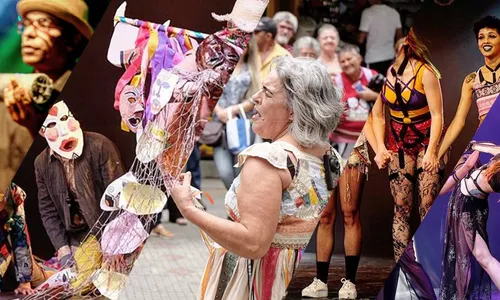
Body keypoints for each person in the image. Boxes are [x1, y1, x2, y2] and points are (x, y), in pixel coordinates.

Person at [171, 56, 344, 299]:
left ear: (294, 111)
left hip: (261, 282)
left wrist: (189, 210)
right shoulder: (332, 156)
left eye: (267, 92)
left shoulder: (268, 158)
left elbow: (253, 244)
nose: (255, 98)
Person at [301, 44, 378, 299]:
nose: (346, 64)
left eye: (349, 59)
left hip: (358, 148)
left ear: (359, 58)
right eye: (342, 61)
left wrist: (372, 96)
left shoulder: (375, 78)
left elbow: (391, 106)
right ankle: (320, 281)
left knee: (349, 214)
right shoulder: (335, 81)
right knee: (324, 216)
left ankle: (350, 283)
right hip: (332, 149)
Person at [371, 28, 446, 261]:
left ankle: (433, 263)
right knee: (402, 204)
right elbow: (377, 116)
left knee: (427, 202)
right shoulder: (384, 75)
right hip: (399, 141)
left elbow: (437, 115)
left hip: (427, 137)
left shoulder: (426, 72)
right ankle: (403, 267)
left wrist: (432, 151)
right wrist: (380, 148)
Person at [0, 0, 92, 192]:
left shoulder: (81, 96)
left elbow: (77, 176)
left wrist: (35, 127)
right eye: (25, 25)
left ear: (73, 39)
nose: (29, 33)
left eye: (43, 23)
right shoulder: (9, 89)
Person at [34, 101, 125, 266]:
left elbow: (119, 195)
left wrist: (115, 242)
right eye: (53, 124)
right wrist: (63, 250)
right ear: (42, 131)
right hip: (80, 234)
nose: (63, 130)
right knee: (78, 283)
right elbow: (48, 210)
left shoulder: (99, 145)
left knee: (115, 273)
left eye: (64, 119)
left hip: (110, 227)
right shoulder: (41, 163)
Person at [439, 141, 500, 299]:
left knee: (482, 258)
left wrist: (474, 149)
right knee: (481, 257)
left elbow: (443, 189)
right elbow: (493, 148)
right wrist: (475, 147)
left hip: (467, 211)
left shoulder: (475, 170)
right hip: (473, 208)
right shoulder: (490, 165)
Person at [438, 16, 500, 163]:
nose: (485, 41)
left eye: (492, 36)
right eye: (481, 37)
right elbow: (458, 121)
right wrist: (437, 154)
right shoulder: (472, 80)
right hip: (484, 143)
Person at [211, 38, 261, 190]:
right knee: (225, 172)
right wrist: (219, 112)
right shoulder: (219, 67)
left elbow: (256, 96)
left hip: (242, 123)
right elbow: (209, 93)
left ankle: (237, 208)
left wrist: (234, 110)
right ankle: (234, 202)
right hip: (220, 125)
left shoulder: (251, 69)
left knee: (241, 169)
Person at [0, 183, 54, 295]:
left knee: (42, 280)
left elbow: (20, 237)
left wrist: (25, 281)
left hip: (8, 256)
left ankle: (58, 272)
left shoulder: (13, 193)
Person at [358, 0, 403, 75]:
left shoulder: (368, 12)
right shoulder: (394, 13)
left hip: (373, 58)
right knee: (387, 84)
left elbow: (361, 39)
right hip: (390, 56)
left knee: (373, 85)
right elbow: (400, 39)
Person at [253, 17, 291, 82]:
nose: (253, 35)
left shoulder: (285, 56)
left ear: (268, 36)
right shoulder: (248, 51)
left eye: (256, 33)